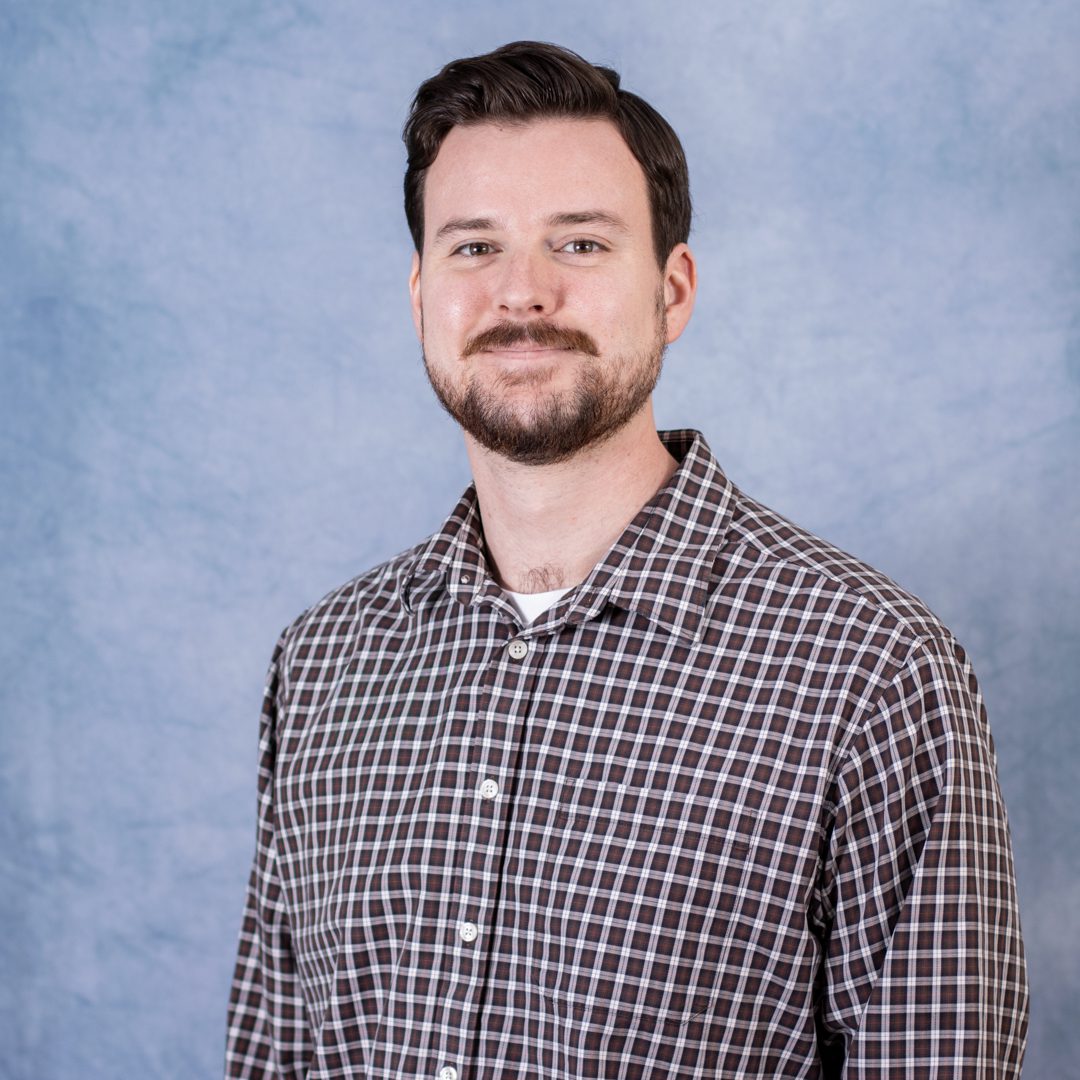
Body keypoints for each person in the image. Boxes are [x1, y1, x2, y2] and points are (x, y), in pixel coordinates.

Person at [225, 41, 1029, 1079]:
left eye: (580, 243)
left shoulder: (872, 670)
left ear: (673, 291)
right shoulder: (323, 664)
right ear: (421, 294)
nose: (522, 294)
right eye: (475, 247)